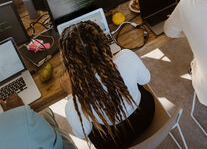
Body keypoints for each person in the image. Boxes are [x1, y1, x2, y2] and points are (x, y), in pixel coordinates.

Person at [59, 20, 154, 149]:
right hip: (145, 116)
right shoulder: (126, 56)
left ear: (69, 60)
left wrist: (71, 95)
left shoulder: (77, 97)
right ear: (104, 42)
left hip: (114, 142)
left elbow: (82, 132)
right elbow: (145, 79)